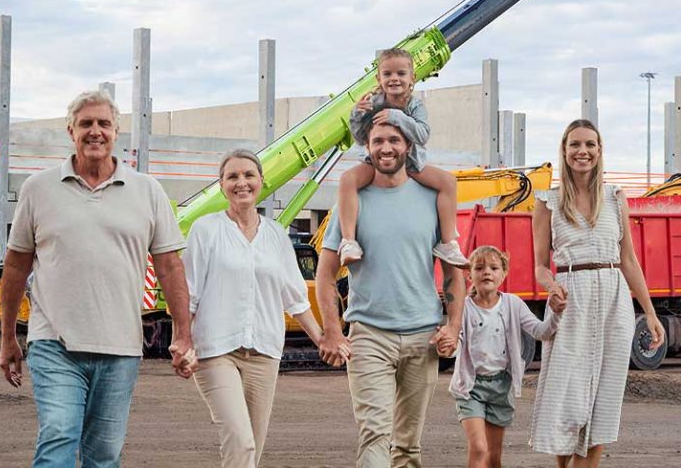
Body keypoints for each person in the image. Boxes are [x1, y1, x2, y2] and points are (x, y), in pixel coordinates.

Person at [0, 90, 193, 468]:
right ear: (70, 131)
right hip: (54, 343)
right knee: (58, 432)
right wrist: (7, 337)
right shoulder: (38, 189)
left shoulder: (147, 191)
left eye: (104, 123)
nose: (95, 131)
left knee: (104, 456)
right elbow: (16, 266)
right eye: (85, 123)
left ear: (117, 131)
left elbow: (170, 267)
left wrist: (183, 334)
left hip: (121, 348)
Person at [317, 118, 466, 468]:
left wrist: (453, 326)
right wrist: (333, 330)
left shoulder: (432, 200)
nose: (386, 148)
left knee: (408, 446)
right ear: (367, 148)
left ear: (408, 146)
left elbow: (453, 271)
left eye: (394, 140)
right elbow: (325, 274)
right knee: (375, 435)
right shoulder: (351, 202)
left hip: (422, 337)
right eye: (378, 141)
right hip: (369, 335)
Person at [183, 148, 337, 467]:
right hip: (216, 352)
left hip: (264, 354)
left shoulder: (277, 236)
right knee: (241, 442)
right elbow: (190, 294)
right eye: (232, 176)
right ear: (221, 185)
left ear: (262, 181)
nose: (241, 182)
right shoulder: (205, 230)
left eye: (248, 175)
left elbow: (295, 298)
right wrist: (182, 341)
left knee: (252, 449)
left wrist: (322, 339)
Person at [530, 119, 665, 468]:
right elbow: (540, 266)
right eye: (575, 144)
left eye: (590, 144)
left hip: (613, 297)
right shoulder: (547, 202)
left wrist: (650, 313)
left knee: (604, 397)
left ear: (600, 150)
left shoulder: (615, 198)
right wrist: (551, 286)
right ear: (564, 150)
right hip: (571, 296)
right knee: (566, 395)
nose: (583, 151)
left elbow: (629, 260)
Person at [336, 47, 469, 268]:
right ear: (379, 78)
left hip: (411, 164)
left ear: (412, 78)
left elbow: (422, 135)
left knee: (448, 182)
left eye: (401, 73)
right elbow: (360, 137)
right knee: (347, 179)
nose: (394, 79)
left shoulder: (415, 106)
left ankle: (448, 243)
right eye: (387, 74)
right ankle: (349, 241)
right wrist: (357, 115)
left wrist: (397, 117)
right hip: (378, 164)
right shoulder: (373, 101)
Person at [449, 246, 566, 468]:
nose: (487, 272)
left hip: (501, 386)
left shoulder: (513, 304)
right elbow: (455, 342)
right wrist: (446, 345)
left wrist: (556, 314)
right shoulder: (464, 308)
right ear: (469, 274)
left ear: (503, 274)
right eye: (479, 268)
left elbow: (541, 332)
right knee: (479, 447)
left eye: (494, 268)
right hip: (470, 387)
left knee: (494, 457)